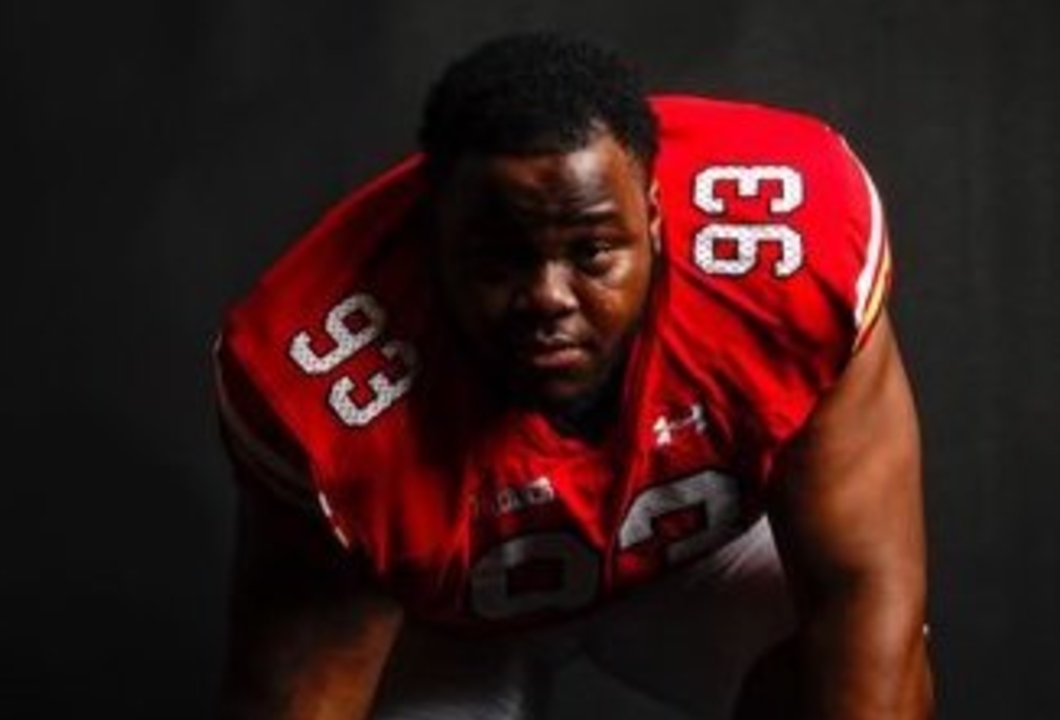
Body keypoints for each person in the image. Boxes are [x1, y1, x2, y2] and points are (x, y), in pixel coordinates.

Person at [211, 32, 933, 720]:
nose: (548, 299)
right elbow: (300, 691)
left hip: (695, 571)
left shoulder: (786, 265)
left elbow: (862, 590)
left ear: (655, 221)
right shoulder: (327, 394)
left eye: (591, 253)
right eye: (500, 261)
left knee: (843, 668)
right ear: (434, 245)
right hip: (449, 628)